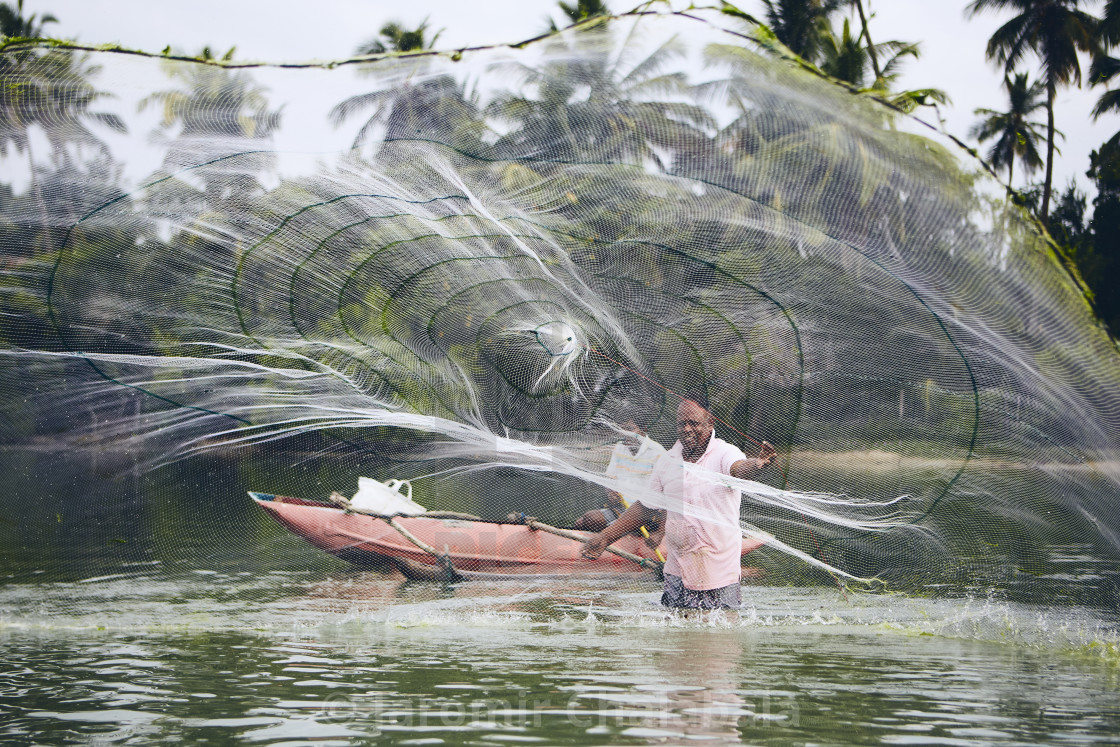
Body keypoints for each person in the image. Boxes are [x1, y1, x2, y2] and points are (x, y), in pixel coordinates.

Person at [581, 397, 776, 610]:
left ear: (710, 423)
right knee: (677, 633)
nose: (687, 429)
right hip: (676, 571)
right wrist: (604, 538)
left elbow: (738, 469)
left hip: (717, 571)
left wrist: (756, 465)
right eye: (681, 423)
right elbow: (645, 507)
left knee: (720, 634)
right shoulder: (667, 460)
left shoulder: (724, 453)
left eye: (694, 423)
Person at [573, 419, 665, 532]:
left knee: (591, 522)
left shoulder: (658, 452)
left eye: (630, 429)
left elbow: (665, 492)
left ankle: (614, 534)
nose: (625, 434)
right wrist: (610, 492)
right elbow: (611, 478)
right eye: (622, 430)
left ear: (643, 430)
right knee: (586, 520)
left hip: (644, 515)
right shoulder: (620, 447)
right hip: (620, 508)